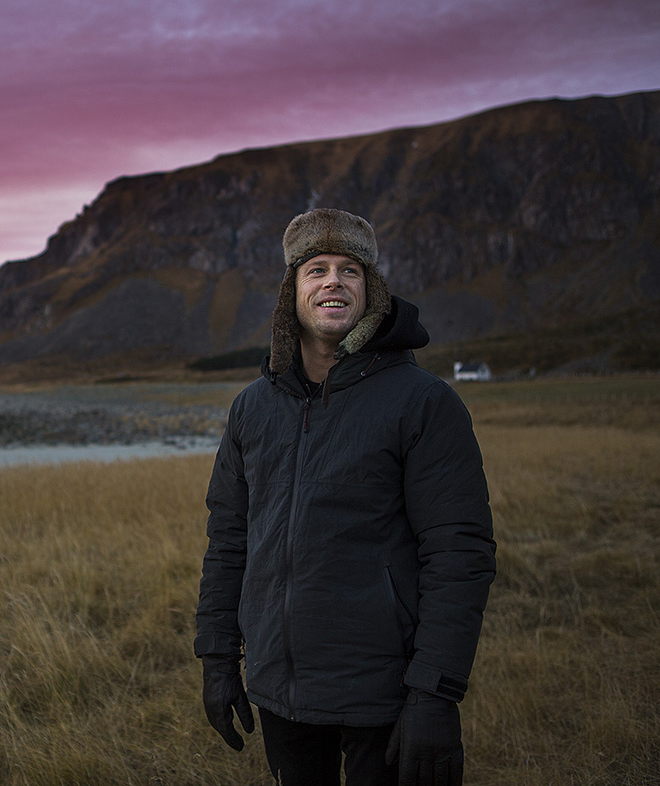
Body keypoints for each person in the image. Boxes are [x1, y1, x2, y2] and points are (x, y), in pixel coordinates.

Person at [195, 208, 496, 786]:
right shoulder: (252, 409)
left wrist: (435, 692)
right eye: (316, 269)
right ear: (292, 292)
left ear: (371, 290)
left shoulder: (423, 402)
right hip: (279, 691)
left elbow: (459, 552)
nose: (334, 281)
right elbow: (229, 539)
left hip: (382, 696)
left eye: (350, 270)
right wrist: (216, 657)